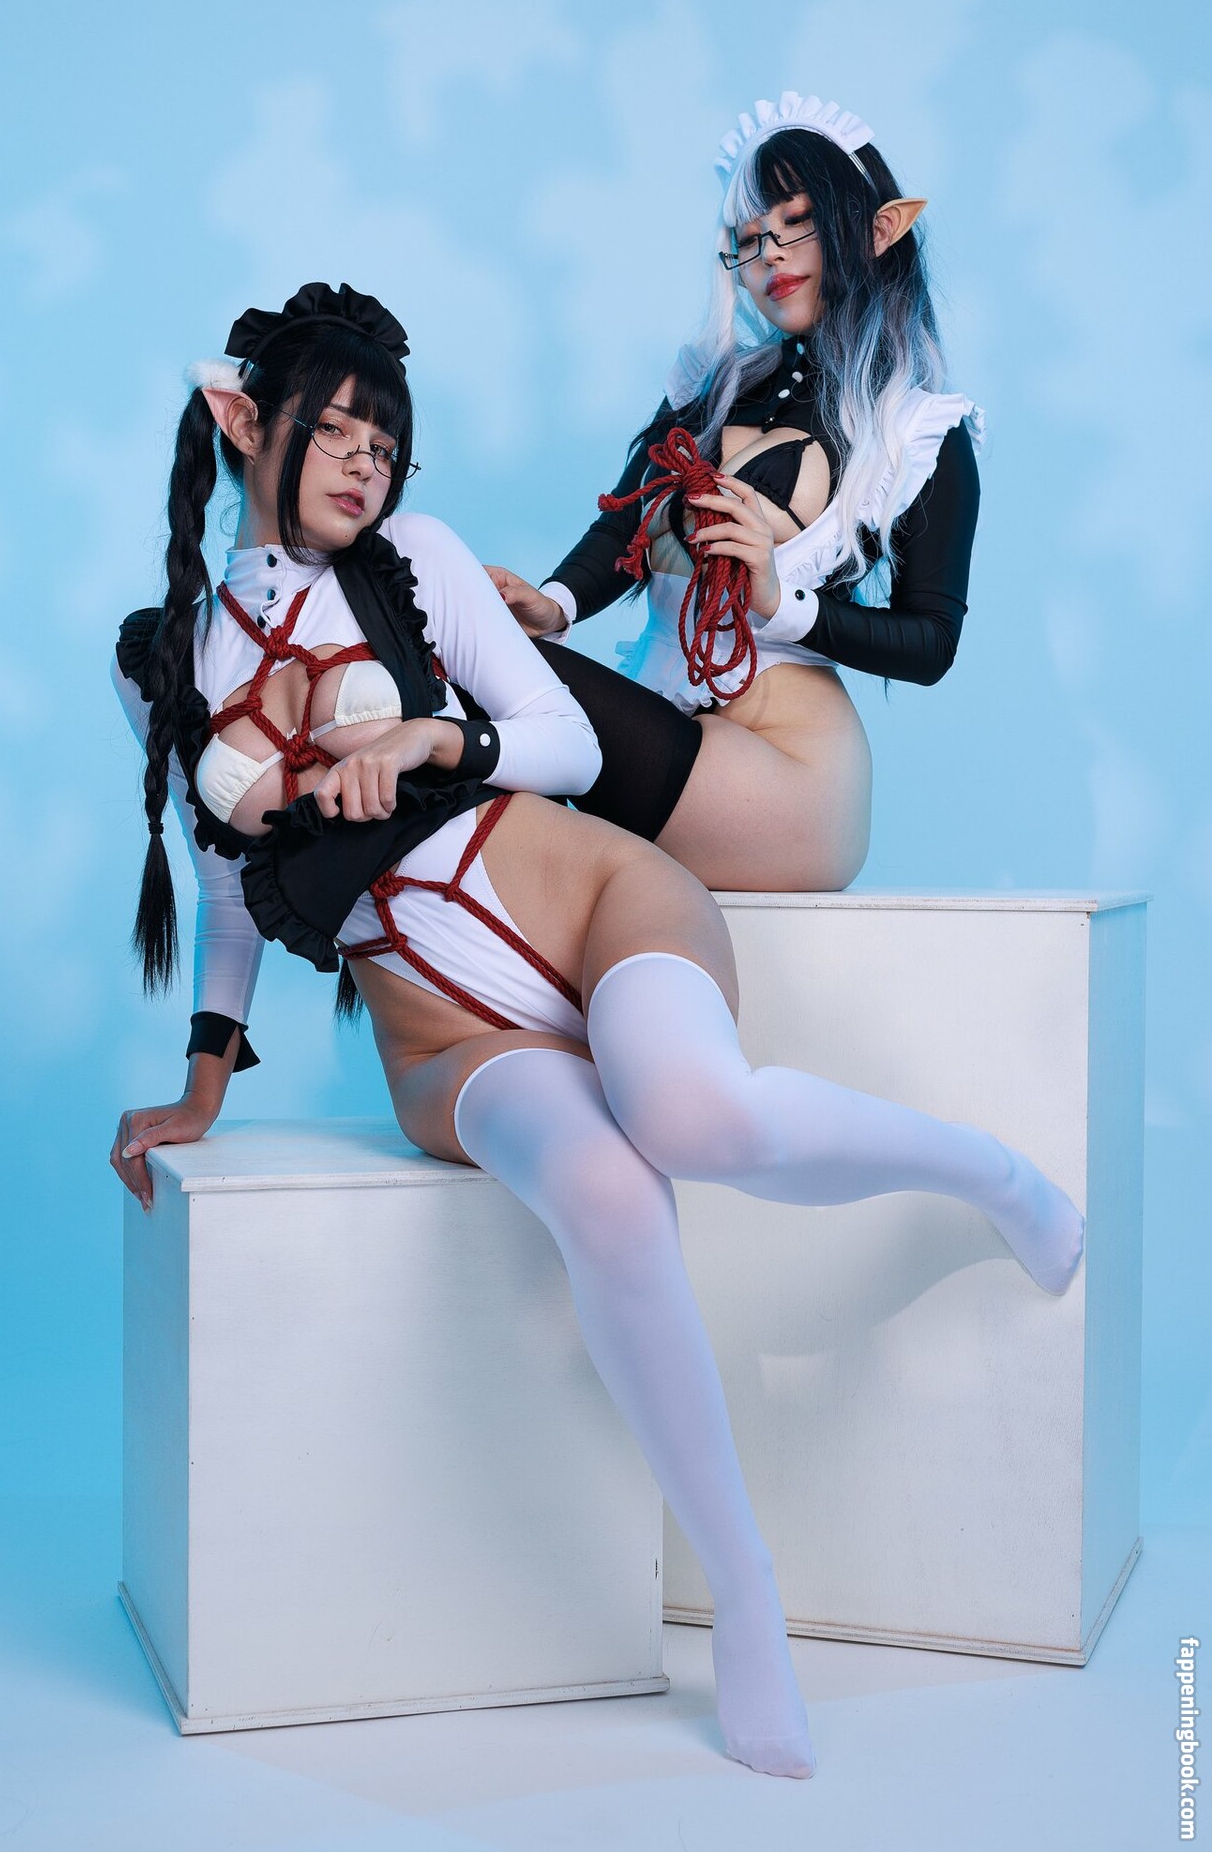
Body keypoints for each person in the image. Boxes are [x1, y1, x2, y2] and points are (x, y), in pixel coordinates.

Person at [109, 284, 1083, 1780]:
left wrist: (434, 736)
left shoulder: (419, 565)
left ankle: (993, 1175)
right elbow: (230, 878)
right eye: (336, 430)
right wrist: (202, 1085)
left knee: (696, 1118)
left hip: (585, 898)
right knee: (610, 1197)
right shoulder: (165, 657)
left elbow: (569, 744)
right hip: (444, 1034)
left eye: (387, 442)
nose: (366, 463)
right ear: (245, 422)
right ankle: (743, 1588)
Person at [488, 91, 982, 892]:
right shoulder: (710, 389)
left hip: (791, 780)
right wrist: (554, 605)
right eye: (750, 239)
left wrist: (777, 599)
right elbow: (623, 528)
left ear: (875, 229)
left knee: (479, 666)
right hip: (672, 738)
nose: (770, 256)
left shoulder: (919, 430)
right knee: (475, 658)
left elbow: (931, 642)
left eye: (798, 222)